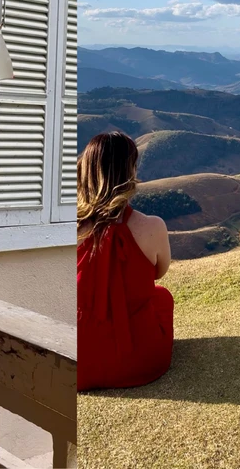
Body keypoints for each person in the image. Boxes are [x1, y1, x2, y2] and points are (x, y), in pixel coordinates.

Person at [77, 131, 174, 391]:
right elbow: (158, 274)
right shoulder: (152, 226)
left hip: (78, 366)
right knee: (163, 297)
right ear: (129, 173)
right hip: (141, 363)